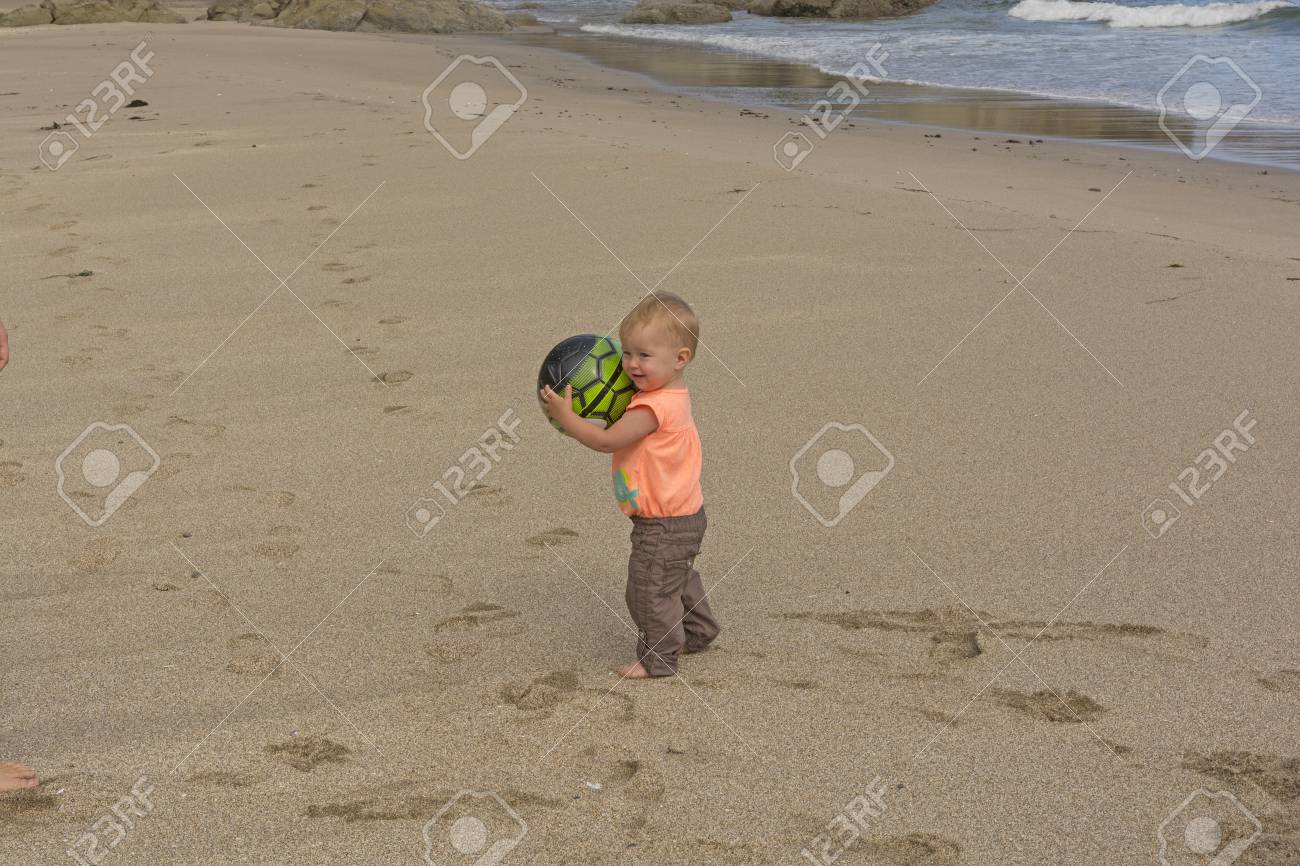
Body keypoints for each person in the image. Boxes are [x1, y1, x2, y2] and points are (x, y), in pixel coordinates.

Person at [541, 292, 719, 679]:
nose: (632, 365)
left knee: (647, 591)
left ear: (681, 358)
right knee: (676, 577)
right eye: (627, 353)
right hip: (683, 515)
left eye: (645, 356)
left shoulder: (652, 409)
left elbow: (607, 441)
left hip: (663, 524)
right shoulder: (669, 394)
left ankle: (659, 657)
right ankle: (699, 631)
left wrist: (566, 417)